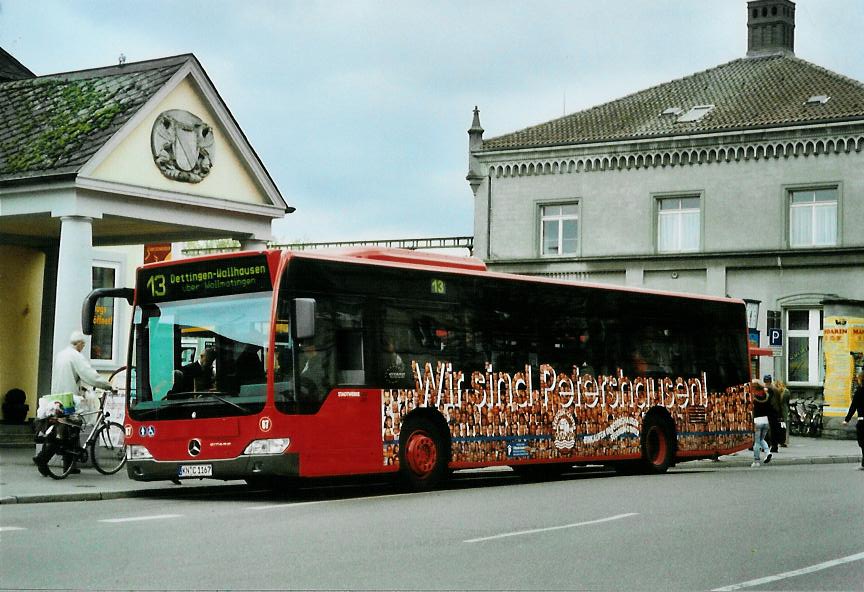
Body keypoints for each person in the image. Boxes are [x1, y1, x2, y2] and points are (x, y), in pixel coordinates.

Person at [51, 330, 113, 395]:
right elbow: (89, 375)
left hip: (56, 396)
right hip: (68, 398)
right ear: (79, 343)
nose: (83, 346)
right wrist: (108, 386)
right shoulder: (76, 356)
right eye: (83, 344)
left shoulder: (60, 354)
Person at [842, 369, 864, 470]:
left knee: (862, 443)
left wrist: (846, 420)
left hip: (862, 421)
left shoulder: (859, 391)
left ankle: (863, 465)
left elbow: (853, 407)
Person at [750, 379, 776, 467]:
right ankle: (768, 452)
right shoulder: (766, 395)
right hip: (766, 420)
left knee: (757, 442)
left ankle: (756, 461)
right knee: (762, 439)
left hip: (757, 420)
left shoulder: (752, 396)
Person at [764, 375, 783, 452]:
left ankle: (771, 445)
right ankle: (773, 445)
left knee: (770, 429)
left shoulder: (770, 390)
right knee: (772, 429)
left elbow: (775, 402)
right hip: (773, 412)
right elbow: (779, 402)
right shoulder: (775, 389)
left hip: (771, 411)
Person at [774, 378, 791, 447]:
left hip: (776, 410)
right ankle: (783, 441)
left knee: (776, 425)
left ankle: (776, 439)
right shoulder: (786, 392)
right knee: (783, 426)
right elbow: (787, 402)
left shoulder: (774, 391)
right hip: (784, 410)